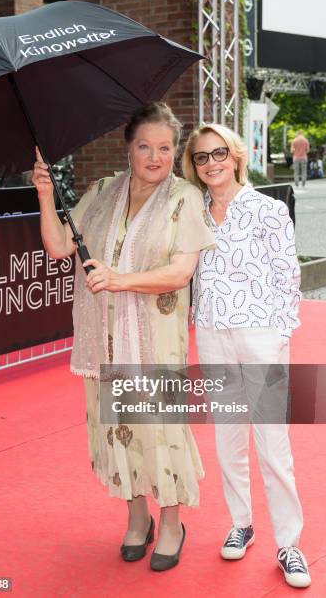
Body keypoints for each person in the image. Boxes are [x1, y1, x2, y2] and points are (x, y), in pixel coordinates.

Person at [32, 102, 215, 572]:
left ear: (175, 152)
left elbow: (179, 272)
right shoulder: (102, 190)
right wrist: (45, 195)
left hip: (154, 339)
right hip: (102, 339)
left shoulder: (184, 198)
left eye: (165, 148)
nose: (155, 157)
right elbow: (58, 246)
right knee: (115, 432)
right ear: (128, 148)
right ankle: (137, 517)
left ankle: (171, 522)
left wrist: (119, 280)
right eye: (144, 147)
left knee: (160, 432)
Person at [182, 123, 311, 589]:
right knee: (227, 440)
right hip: (213, 335)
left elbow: (288, 277)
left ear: (235, 156)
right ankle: (242, 523)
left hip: (260, 337)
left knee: (273, 445)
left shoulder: (268, 209)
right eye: (201, 157)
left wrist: (279, 334)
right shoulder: (191, 211)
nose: (211, 163)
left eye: (219, 153)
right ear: (193, 166)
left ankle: (289, 545)